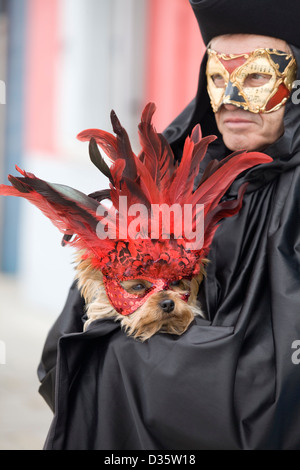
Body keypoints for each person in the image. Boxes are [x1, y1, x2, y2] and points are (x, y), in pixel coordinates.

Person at [38, 0, 300, 449]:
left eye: (256, 76)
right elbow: (77, 334)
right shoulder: (171, 175)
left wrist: (132, 360)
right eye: (218, 78)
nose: (232, 99)